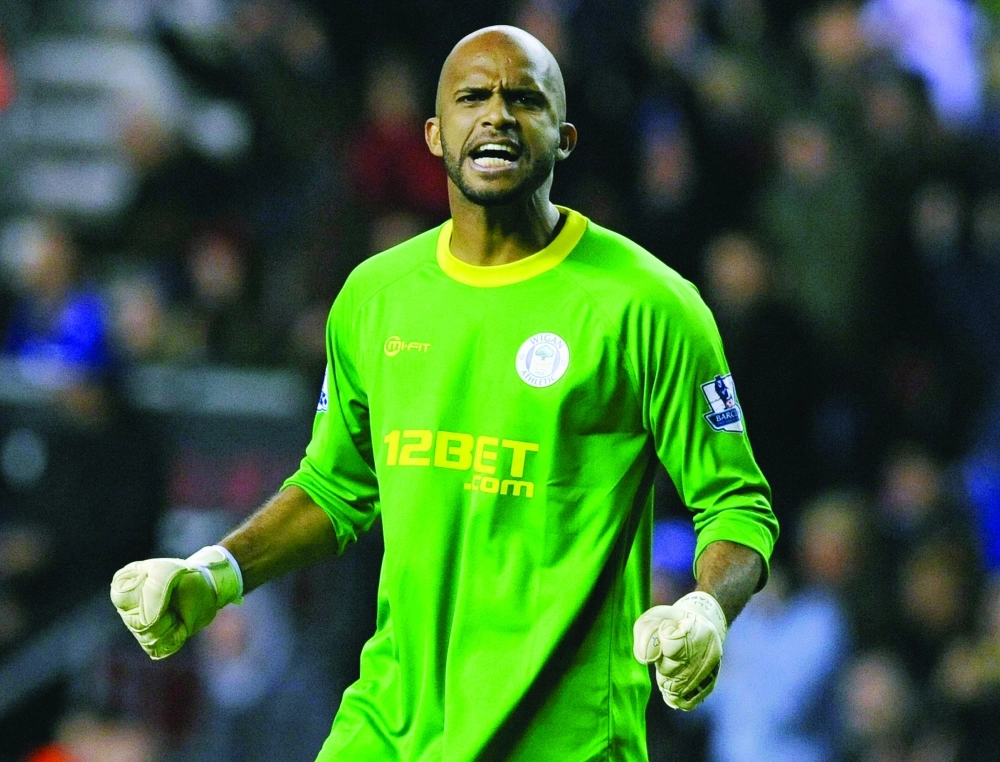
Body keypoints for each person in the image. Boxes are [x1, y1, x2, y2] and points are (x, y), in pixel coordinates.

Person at [110, 26, 778, 761]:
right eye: (473, 97)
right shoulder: (376, 296)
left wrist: (707, 610)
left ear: (564, 138)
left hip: (562, 742)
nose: (497, 114)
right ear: (434, 134)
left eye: (525, 99)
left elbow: (736, 506)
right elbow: (335, 488)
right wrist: (216, 572)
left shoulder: (649, 306)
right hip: (386, 728)